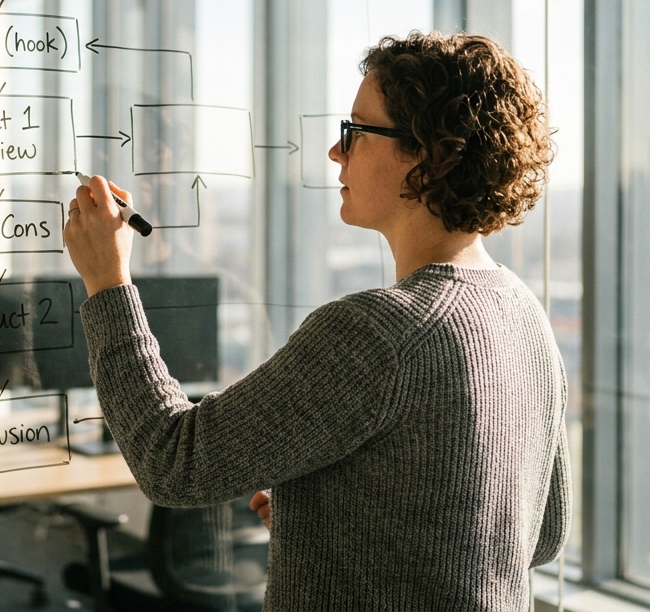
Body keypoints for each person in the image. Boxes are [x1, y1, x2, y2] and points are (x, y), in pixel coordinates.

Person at [63, 32, 568, 611]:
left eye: (356, 131)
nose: (335, 151)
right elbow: (542, 533)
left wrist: (107, 283)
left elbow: (173, 462)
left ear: (428, 156)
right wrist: (339, 522)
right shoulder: (523, 313)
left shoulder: (378, 332)